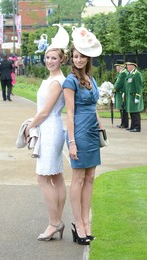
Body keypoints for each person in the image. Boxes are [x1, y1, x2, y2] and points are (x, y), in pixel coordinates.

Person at [24, 24, 69, 241]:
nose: (49, 60)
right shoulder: (56, 80)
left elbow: (44, 111)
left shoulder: (57, 82)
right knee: (56, 176)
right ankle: (57, 221)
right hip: (51, 127)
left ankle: (54, 223)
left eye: (54, 58)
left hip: (50, 128)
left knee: (44, 178)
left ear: (62, 60)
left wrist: (30, 125)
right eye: (48, 57)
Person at [63, 26, 103, 245]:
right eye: (75, 56)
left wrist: (99, 127)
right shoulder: (70, 81)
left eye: (81, 56)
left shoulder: (91, 78)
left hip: (91, 132)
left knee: (90, 178)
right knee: (78, 179)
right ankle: (78, 225)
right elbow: (69, 114)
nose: (78, 59)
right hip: (78, 132)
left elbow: (94, 106)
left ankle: (86, 224)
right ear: (72, 58)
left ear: (88, 58)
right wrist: (72, 142)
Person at [125, 59, 144, 132]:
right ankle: (132, 126)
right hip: (130, 96)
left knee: (135, 112)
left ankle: (137, 127)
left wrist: (137, 97)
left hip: (134, 96)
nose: (127, 66)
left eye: (128, 65)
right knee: (132, 112)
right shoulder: (130, 74)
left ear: (133, 66)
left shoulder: (137, 74)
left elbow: (139, 87)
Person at [113, 59, 129, 129]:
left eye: (117, 66)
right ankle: (123, 124)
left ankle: (124, 124)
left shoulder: (123, 73)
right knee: (122, 109)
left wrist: (113, 90)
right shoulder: (123, 72)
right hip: (121, 93)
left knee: (123, 109)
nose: (116, 68)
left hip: (121, 93)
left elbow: (118, 84)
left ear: (120, 66)